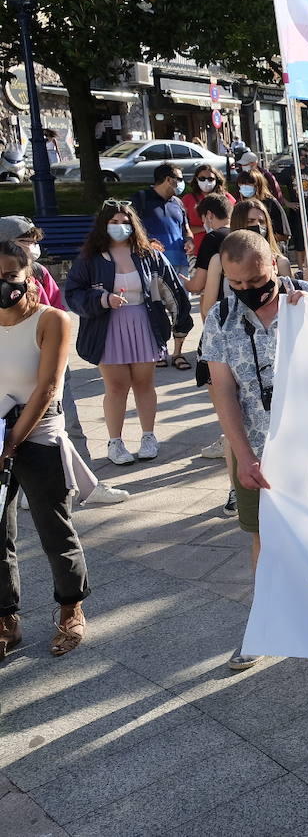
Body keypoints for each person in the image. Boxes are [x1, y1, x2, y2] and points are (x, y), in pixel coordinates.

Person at [202, 230, 308, 669]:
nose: (246, 291)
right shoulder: (220, 319)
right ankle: (267, 623)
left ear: (273, 265)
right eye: (235, 284)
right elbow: (222, 391)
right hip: (258, 448)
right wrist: (242, 455)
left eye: (254, 280)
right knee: (264, 538)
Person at [0, 239, 102, 660]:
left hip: (37, 433)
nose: (3, 283)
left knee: (54, 529)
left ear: (28, 276)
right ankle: (7, 616)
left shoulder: (52, 319)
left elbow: (47, 388)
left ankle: (70, 608)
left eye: (10, 275)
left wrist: (11, 442)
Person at [65, 201, 191, 465]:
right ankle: (115, 442)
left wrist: (180, 322)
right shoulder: (90, 258)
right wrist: (102, 299)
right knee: (116, 387)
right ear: (103, 224)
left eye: (125, 222)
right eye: (114, 222)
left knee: (145, 383)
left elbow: (173, 289)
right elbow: (73, 294)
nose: (120, 227)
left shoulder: (150, 255)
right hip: (107, 326)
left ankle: (148, 436)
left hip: (144, 323)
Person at [130, 163, 194, 272]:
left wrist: (189, 240)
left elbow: (186, 229)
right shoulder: (141, 199)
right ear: (168, 179)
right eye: (179, 179)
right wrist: (147, 243)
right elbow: (131, 229)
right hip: (152, 265)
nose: (182, 183)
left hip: (180, 266)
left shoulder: (178, 203)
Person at [234, 168, 290, 253]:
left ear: (258, 185)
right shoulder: (239, 205)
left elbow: (285, 234)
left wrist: (264, 238)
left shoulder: (271, 203)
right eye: (242, 184)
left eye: (249, 184)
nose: (245, 186)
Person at [183, 164, 232, 254]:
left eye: (210, 179)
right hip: (197, 250)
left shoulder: (227, 198)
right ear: (196, 179)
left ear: (216, 180)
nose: (206, 181)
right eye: (202, 179)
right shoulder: (188, 199)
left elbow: (234, 222)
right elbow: (184, 227)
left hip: (222, 248)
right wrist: (205, 228)